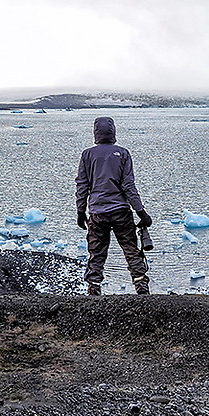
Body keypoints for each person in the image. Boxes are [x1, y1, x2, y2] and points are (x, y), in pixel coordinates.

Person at [74, 115, 151, 295]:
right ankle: (141, 286)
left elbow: (82, 185)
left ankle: (94, 288)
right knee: (131, 249)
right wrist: (141, 212)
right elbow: (128, 186)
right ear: (113, 131)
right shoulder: (123, 153)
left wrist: (80, 211)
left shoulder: (87, 155)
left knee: (96, 252)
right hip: (121, 212)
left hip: (97, 213)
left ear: (96, 132)